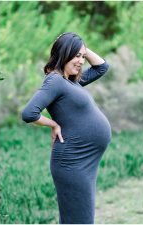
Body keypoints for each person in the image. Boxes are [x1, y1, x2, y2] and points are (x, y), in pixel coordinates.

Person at [22, 32, 111, 224]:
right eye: (76, 55)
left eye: (82, 56)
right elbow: (29, 113)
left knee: (80, 217)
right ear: (63, 53)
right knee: (79, 219)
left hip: (84, 160)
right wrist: (53, 123)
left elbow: (102, 67)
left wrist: (84, 50)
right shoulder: (54, 81)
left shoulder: (72, 82)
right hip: (72, 161)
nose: (81, 61)